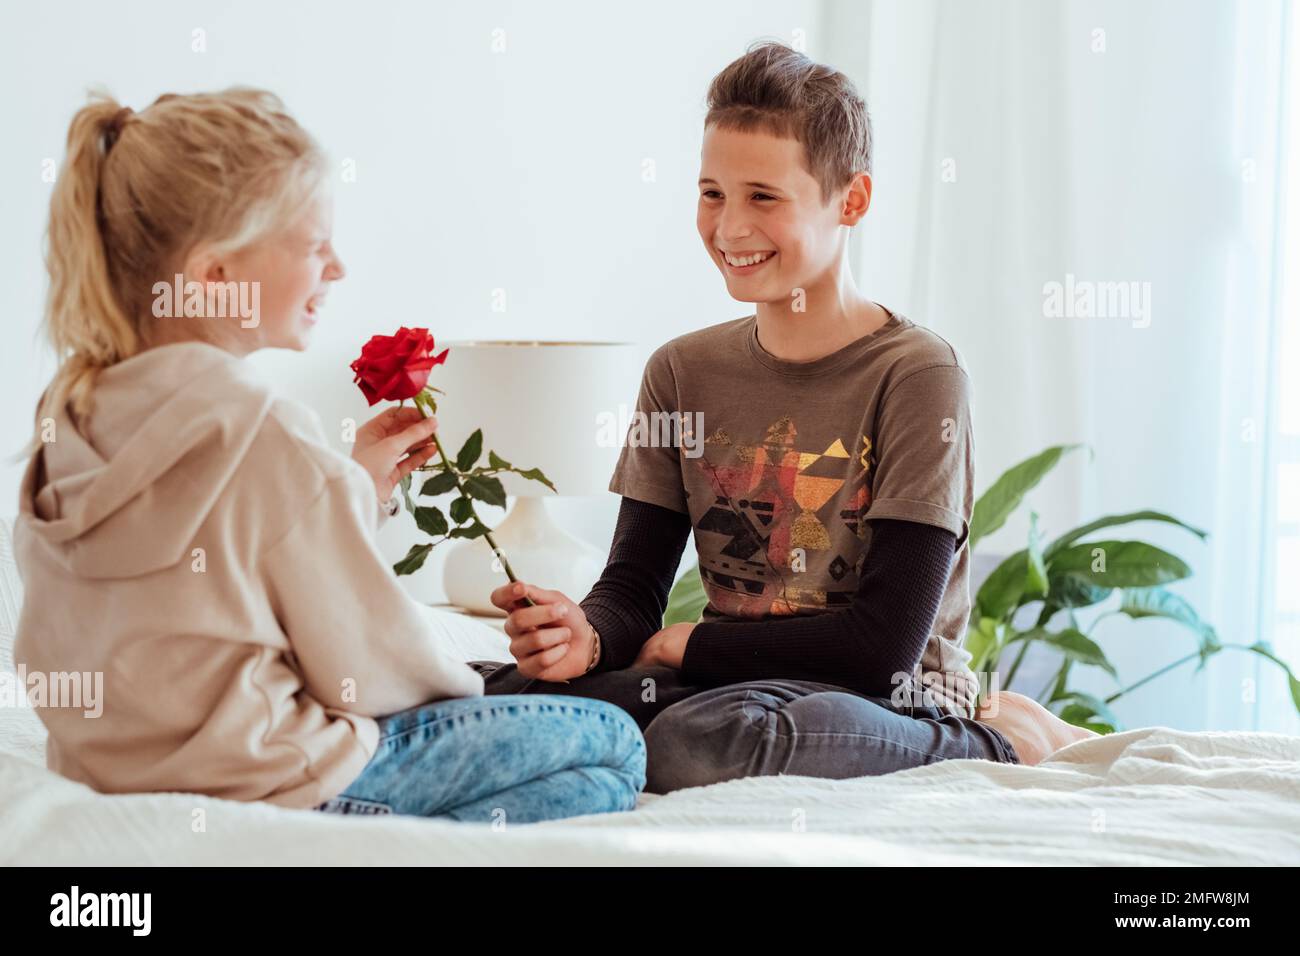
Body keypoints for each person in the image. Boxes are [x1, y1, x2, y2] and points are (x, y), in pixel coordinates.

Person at [13, 88, 644, 823]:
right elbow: (375, 670)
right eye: (314, 247)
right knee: (614, 744)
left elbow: (205, 581)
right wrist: (479, 689)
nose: (337, 269)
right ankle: (364, 839)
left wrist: (344, 489)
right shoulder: (260, 427)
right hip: (276, 777)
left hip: (117, 768)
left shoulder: (72, 410)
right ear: (215, 277)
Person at [479, 43, 1094, 792]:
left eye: (762, 197)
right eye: (712, 194)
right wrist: (587, 634)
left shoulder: (918, 376)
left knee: (702, 744)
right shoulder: (679, 372)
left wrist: (683, 646)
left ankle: (998, 742)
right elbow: (633, 589)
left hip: (882, 700)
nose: (730, 227)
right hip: (734, 684)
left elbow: (883, 646)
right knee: (491, 696)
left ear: (852, 201)